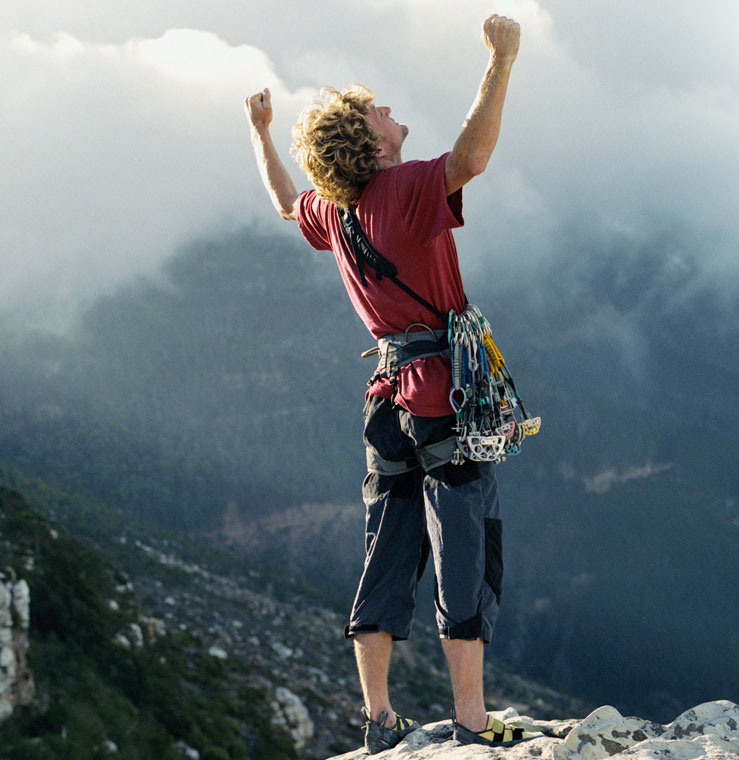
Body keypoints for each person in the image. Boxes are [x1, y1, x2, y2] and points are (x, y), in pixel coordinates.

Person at [242, 12, 525, 755]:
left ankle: (379, 719)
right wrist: (502, 61)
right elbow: (471, 158)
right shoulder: (400, 191)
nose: (391, 111)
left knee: (388, 546)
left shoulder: (336, 210)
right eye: (380, 111)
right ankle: (470, 721)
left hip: (386, 399)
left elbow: (282, 202)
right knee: (462, 545)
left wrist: (262, 135)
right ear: (373, 144)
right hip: (443, 395)